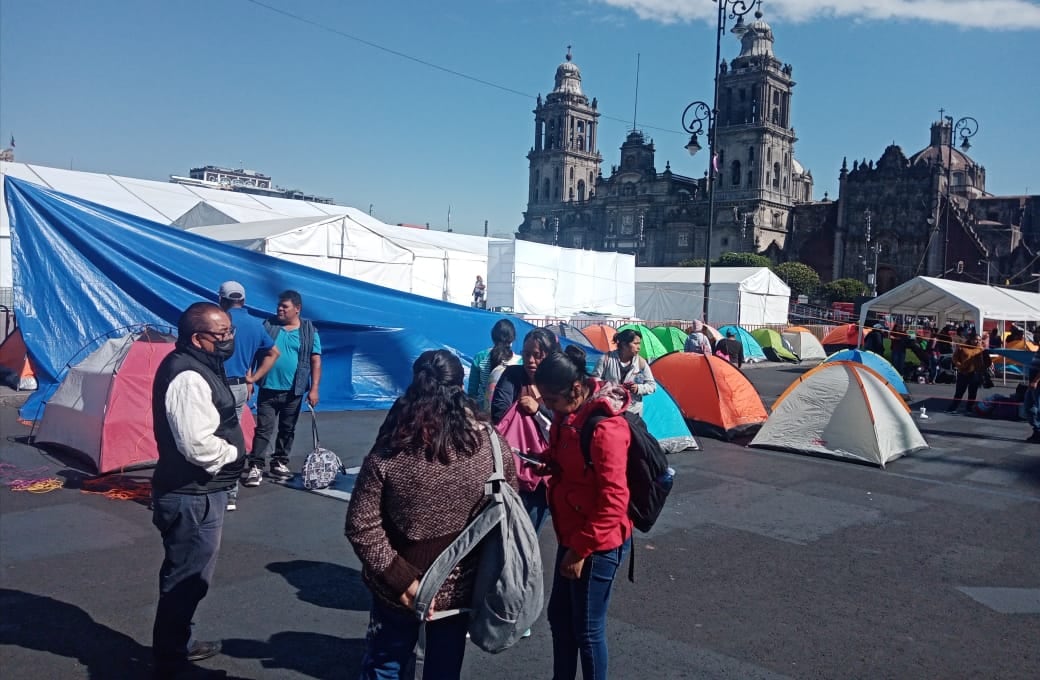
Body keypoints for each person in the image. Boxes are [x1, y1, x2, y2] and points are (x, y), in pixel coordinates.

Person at [345, 350, 519, 679]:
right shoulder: (492, 446)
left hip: (396, 583)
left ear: (416, 384)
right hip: (459, 586)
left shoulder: (392, 448)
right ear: (461, 385)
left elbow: (361, 526)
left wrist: (401, 578)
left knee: (385, 663)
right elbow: (507, 511)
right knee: (443, 666)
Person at [150, 302, 245, 679]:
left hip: (200, 492)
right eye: (221, 335)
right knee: (185, 580)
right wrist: (235, 454)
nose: (228, 340)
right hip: (192, 495)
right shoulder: (187, 376)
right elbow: (196, 445)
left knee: (191, 577)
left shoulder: (200, 365)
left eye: (230, 331)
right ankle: (170, 661)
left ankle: (178, 645)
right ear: (197, 338)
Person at [534, 345, 632, 680]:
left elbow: (615, 500)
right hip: (571, 531)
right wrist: (546, 460)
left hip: (598, 542)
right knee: (560, 618)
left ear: (576, 389)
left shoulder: (605, 430)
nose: (547, 407)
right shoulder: (566, 416)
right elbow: (570, 459)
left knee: (588, 630)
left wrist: (580, 550)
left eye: (551, 400)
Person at [244, 290, 321, 486]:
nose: (279, 309)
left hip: (293, 391)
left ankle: (279, 463)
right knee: (263, 429)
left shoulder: (309, 331)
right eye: (279, 306)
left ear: (297, 309)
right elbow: (254, 352)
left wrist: (314, 389)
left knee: (287, 429)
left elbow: (315, 360)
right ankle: (256, 466)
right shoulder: (269, 326)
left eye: (284, 307)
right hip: (268, 389)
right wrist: (250, 380)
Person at [217, 281, 280, 511]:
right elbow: (274, 352)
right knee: (232, 436)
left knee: (211, 435)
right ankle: (230, 492)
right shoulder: (255, 325)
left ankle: (212, 489)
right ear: (243, 300)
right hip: (240, 386)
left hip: (215, 385)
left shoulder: (219, 321)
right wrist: (253, 377)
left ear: (222, 299)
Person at [591, 328, 656, 416]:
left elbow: (652, 386)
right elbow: (594, 381)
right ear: (624, 345)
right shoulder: (606, 359)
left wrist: (638, 388)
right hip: (609, 409)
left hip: (633, 411)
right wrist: (610, 387)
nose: (639, 347)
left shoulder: (641, 363)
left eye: (639, 344)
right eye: (635, 343)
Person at [466, 318, 517, 412]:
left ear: (493, 337)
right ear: (513, 338)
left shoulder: (480, 357)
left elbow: (472, 392)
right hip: (509, 416)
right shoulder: (519, 361)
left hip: (482, 414)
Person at [946, 331, 989, 414]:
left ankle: (969, 408)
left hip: (975, 374)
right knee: (959, 392)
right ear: (971, 339)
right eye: (976, 340)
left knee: (972, 393)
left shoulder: (981, 348)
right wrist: (960, 365)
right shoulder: (962, 347)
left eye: (979, 340)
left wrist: (983, 367)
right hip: (963, 373)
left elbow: (987, 361)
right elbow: (954, 358)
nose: (978, 342)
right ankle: (952, 408)